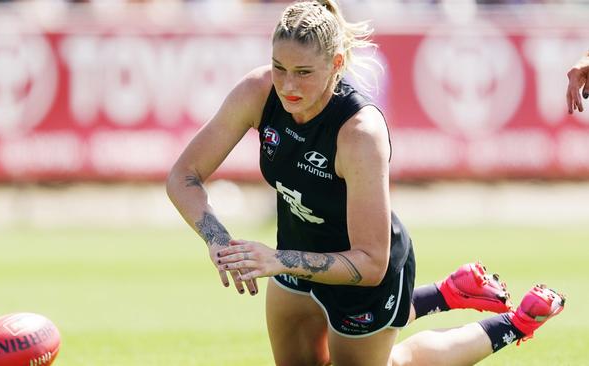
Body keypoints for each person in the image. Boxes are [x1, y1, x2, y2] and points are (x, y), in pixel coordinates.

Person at [166, 1, 565, 365]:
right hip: (292, 259)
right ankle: (450, 291)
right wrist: (219, 242)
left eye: (304, 73)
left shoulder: (359, 132)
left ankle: (513, 323)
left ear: (337, 63)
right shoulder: (258, 92)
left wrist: (277, 259)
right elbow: (183, 177)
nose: (288, 86)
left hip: (361, 275)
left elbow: (371, 263)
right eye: (279, 68)